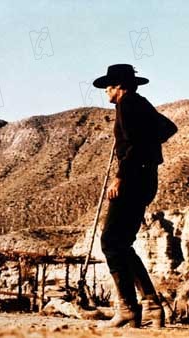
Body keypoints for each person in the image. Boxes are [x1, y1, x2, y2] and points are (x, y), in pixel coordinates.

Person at [93, 64, 176, 328]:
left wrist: (120, 176)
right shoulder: (139, 104)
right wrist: (147, 141)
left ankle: (129, 308)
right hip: (145, 179)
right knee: (121, 243)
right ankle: (151, 305)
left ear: (119, 86)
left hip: (132, 179)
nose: (105, 89)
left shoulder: (128, 104)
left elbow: (137, 145)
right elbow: (167, 128)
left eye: (109, 85)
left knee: (110, 241)